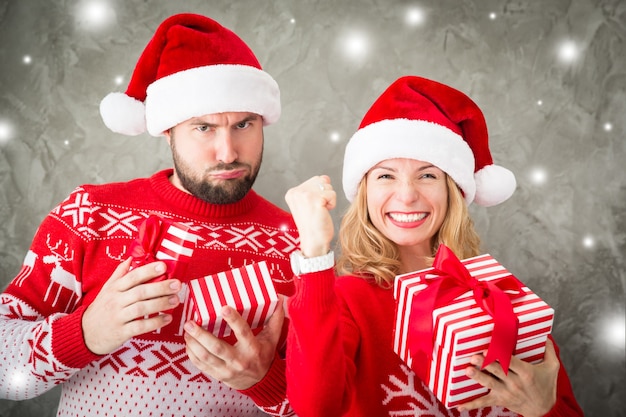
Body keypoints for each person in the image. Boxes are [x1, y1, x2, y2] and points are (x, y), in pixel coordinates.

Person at [0, 13, 299, 417]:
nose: (228, 152)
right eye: (204, 128)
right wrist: (84, 333)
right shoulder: (89, 215)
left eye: (244, 124)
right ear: (167, 130)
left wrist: (265, 382)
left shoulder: (295, 240)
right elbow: (4, 365)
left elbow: (330, 403)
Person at [284, 76, 584, 416]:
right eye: (386, 175)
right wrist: (314, 254)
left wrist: (544, 408)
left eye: (427, 175)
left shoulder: (500, 295)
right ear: (365, 192)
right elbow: (315, 407)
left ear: (451, 192)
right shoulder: (347, 299)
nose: (408, 194)